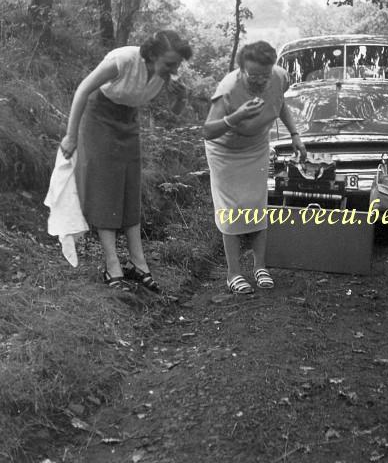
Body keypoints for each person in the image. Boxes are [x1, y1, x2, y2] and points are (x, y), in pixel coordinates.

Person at [59, 30, 193, 291]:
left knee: (130, 188)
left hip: (128, 122)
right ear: (152, 55)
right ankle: (112, 267)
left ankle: (139, 264)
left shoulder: (164, 75)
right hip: (99, 119)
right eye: (169, 64)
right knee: (105, 190)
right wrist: (70, 136)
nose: (173, 70)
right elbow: (83, 91)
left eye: (176, 65)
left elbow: (173, 113)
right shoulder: (122, 61)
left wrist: (181, 98)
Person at [203, 41, 306, 294]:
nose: (261, 80)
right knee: (231, 209)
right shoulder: (229, 89)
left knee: (257, 204)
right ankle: (233, 273)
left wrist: (295, 134)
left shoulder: (280, 76)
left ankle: (260, 266)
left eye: (265, 74)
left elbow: (279, 102)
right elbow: (208, 130)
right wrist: (236, 116)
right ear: (241, 70)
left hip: (256, 147)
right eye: (254, 75)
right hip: (225, 151)